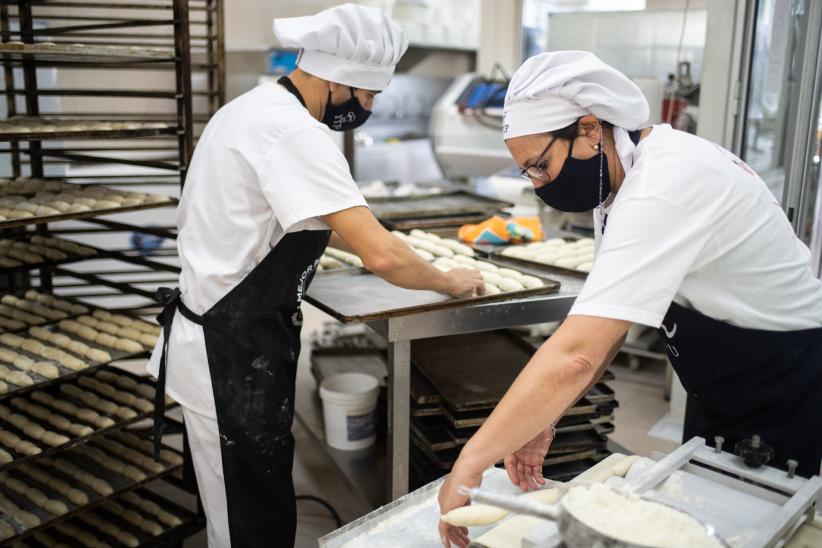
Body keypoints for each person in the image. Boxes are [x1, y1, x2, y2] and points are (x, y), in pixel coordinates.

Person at [437, 50, 822, 547]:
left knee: (759, 531)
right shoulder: (619, 180)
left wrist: (468, 465)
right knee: (703, 519)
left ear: (591, 129)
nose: (537, 186)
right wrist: (542, 418)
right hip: (722, 373)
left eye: (540, 165)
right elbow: (605, 328)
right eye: (526, 174)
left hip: (784, 382)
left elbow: (577, 355)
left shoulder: (665, 185)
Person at [145, 4, 484, 547]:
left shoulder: (252, 109)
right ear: (335, 79)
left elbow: (322, 218)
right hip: (228, 356)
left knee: (249, 505)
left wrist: (377, 235)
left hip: (226, 343)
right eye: (368, 95)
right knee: (247, 526)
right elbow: (382, 258)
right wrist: (448, 280)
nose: (369, 107)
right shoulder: (291, 131)